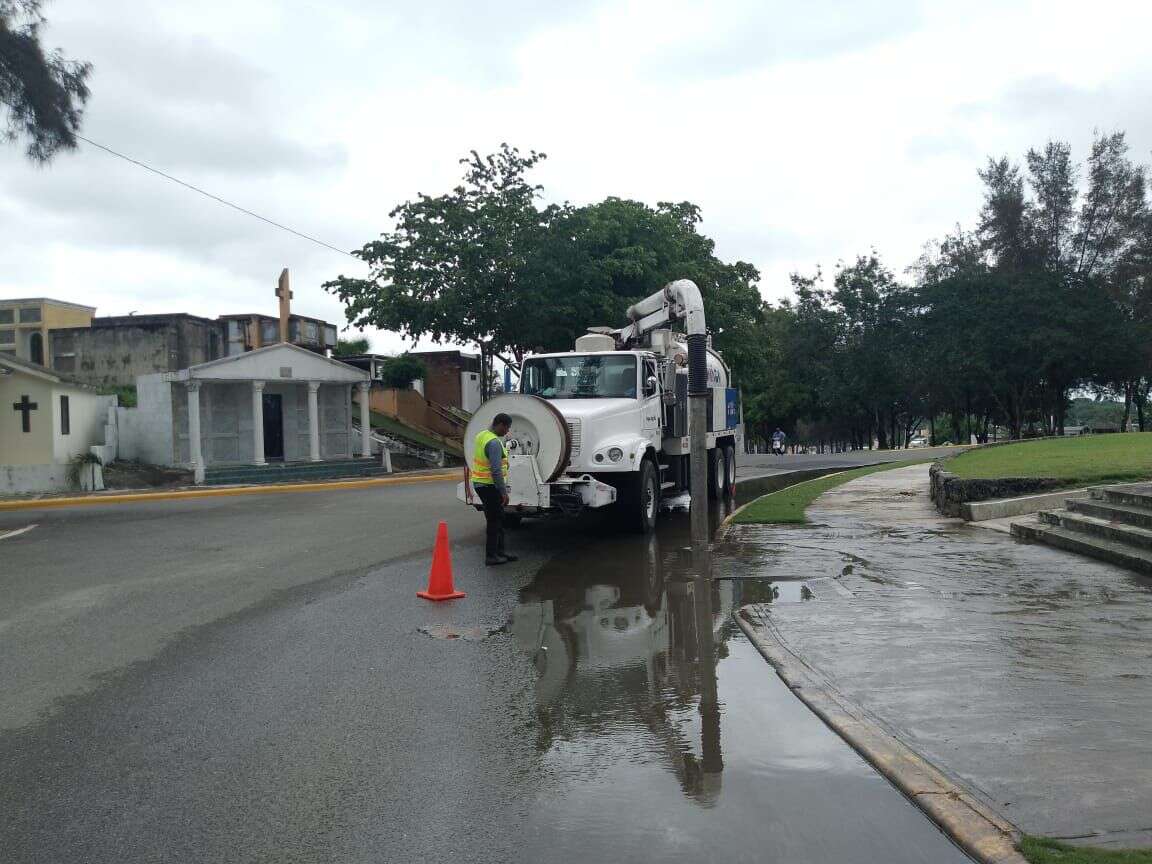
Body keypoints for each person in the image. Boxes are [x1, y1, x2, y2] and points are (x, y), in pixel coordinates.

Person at [473, 413, 518, 566]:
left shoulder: (481, 435)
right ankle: (491, 556)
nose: (507, 432)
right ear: (500, 424)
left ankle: (500, 552)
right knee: (494, 521)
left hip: (481, 484)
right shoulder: (493, 443)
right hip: (489, 486)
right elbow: (496, 470)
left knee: (499, 518)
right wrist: (503, 492)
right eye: (507, 428)